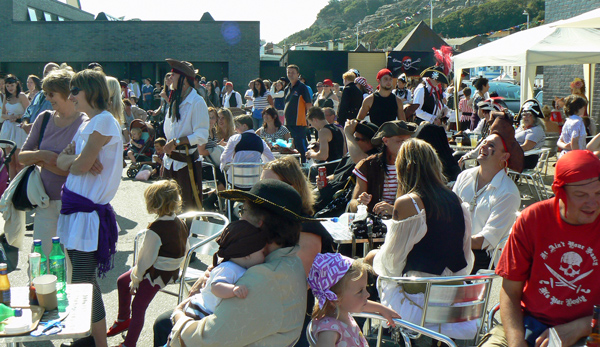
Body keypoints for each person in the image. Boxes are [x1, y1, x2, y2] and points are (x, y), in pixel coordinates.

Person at [163, 179, 313, 347]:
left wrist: (178, 317)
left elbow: (205, 340)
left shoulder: (263, 277)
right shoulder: (290, 261)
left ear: (259, 222)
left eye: (243, 210)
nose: (240, 216)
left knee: (163, 325)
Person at [481, 150, 600, 347]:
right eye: (581, 195)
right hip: (528, 323)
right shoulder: (533, 219)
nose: (593, 203)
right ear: (559, 192)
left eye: (598, 193)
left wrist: (582, 326)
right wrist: (516, 343)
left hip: (591, 330)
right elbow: (510, 291)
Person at [368, 138, 475, 339]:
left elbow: (391, 264)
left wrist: (373, 256)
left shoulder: (409, 202)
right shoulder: (456, 199)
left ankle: (360, 334)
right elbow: (465, 258)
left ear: (405, 167)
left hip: (421, 301)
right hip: (454, 298)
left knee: (367, 262)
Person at [56, 69, 123, 347]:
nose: (70, 96)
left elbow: (78, 165)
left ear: (91, 92)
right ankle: (89, 339)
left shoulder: (105, 121)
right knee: (82, 281)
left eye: (75, 90)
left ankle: (98, 342)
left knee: (84, 281)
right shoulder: (89, 123)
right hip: (76, 212)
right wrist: (76, 159)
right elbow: (62, 163)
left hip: (86, 215)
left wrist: (77, 160)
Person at [107, 180, 188, 347]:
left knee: (138, 307)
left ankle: (129, 344)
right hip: (169, 269)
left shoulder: (156, 230)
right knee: (122, 281)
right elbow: (185, 248)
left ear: (154, 203)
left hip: (157, 274)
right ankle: (123, 319)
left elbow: (144, 261)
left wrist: (135, 280)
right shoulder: (179, 221)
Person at [19, 67, 87, 256]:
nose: (47, 98)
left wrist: (41, 160)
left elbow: (74, 169)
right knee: (42, 260)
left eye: (52, 94)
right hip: (44, 202)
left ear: (66, 93)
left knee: (69, 262)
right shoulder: (44, 118)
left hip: (73, 203)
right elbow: (22, 156)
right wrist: (46, 155)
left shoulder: (84, 122)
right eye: (46, 93)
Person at [453, 117, 523, 273]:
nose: (483, 147)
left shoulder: (508, 192)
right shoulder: (464, 176)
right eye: (484, 142)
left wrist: (451, 241)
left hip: (480, 260)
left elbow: (486, 240)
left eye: (491, 145)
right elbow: (449, 212)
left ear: (504, 157)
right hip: (455, 248)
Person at [178, 219, 267, 324]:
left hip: (208, 312)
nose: (265, 256)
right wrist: (233, 289)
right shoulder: (229, 268)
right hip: (201, 310)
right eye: (263, 252)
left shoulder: (238, 267)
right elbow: (216, 287)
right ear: (247, 254)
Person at [308, 253, 400, 346]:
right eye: (360, 291)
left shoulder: (342, 312)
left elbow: (362, 304)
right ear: (336, 298)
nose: (367, 294)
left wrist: (381, 309)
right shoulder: (329, 329)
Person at [161, 58, 210, 211]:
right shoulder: (175, 99)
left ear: (184, 80)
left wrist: (176, 141)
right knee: (166, 207)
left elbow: (202, 135)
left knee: (187, 207)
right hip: (170, 161)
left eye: (173, 76)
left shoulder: (197, 102)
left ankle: (187, 235)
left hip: (185, 163)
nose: (170, 79)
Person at [349, 120, 416, 213]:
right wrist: (360, 203)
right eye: (400, 141)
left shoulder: (416, 166)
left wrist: (394, 211)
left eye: (408, 141)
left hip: (405, 223)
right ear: (385, 141)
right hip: (374, 222)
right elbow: (352, 204)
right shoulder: (368, 165)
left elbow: (422, 204)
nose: (406, 146)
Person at [219, 114, 274, 189]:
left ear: (245, 126)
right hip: (254, 183)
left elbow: (224, 159)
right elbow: (271, 160)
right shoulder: (261, 142)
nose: (235, 129)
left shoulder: (234, 139)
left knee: (220, 174)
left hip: (236, 182)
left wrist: (227, 166)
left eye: (237, 126)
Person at [1, 74, 30, 179]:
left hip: (19, 128)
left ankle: (20, 186)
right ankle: (11, 187)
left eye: (12, 85)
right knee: (10, 162)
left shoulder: (22, 96)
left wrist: (18, 116)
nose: (10, 88)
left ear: (17, 84)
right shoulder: (6, 97)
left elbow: (29, 111)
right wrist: (9, 117)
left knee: (19, 162)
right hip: (8, 128)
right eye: (8, 86)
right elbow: (3, 114)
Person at [284, 64, 313, 162]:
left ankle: (305, 164)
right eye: (288, 72)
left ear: (298, 74)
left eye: (293, 72)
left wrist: (309, 119)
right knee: (291, 146)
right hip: (288, 122)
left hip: (299, 122)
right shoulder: (287, 88)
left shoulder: (302, 87)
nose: (290, 74)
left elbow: (308, 104)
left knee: (301, 145)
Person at [306, 107, 346, 175]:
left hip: (329, 168)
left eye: (311, 123)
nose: (312, 126)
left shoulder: (323, 131)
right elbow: (344, 151)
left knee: (303, 171)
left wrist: (311, 154)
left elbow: (323, 156)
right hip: (340, 167)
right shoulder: (339, 129)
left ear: (315, 120)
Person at [22, 63, 57, 132]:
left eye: (50, 72)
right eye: (45, 73)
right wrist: (25, 124)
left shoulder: (58, 96)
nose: (47, 75)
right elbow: (28, 111)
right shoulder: (38, 95)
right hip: (33, 135)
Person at [515, 99, 546, 169]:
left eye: (529, 115)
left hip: (526, 158)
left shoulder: (536, 130)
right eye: (524, 115)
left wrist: (508, 150)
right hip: (516, 155)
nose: (525, 117)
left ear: (535, 117)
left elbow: (526, 147)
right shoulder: (521, 128)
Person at [558, 94, 588, 159]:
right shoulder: (578, 122)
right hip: (575, 156)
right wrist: (578, 157)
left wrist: (565, 146)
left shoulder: (567, 121)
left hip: (564, 155)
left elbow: (560, 141)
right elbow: (574, 141)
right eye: (583, 107)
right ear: (577, 108)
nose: (584, 109)